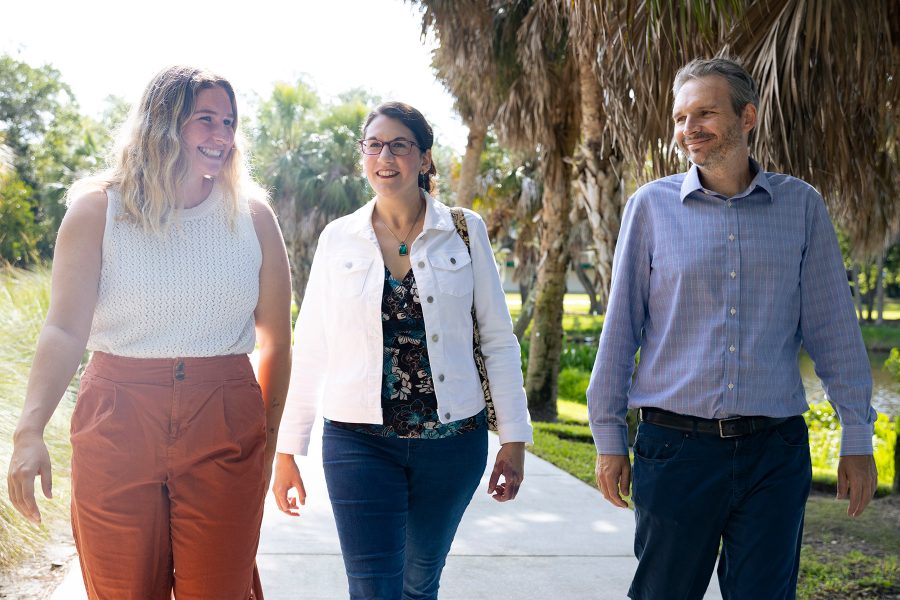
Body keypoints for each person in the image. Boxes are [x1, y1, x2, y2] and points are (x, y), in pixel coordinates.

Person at [587, 57, 879, 600]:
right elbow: (620, 330)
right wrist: (609, 437)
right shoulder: (649, 208)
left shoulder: (801, 206)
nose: (688, 128)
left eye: (705, 112)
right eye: (680, 116)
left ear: (747, 117)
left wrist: (857, 438)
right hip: (675, 450)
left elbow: (834, 331)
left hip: (775, 451)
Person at [6, 65, 292, 599]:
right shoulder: (97, 210)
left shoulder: (253, 217)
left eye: (228, 121)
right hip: (118, 417)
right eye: (204, 119)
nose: (222, 134)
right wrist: (29, 431)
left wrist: (268, 439)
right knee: (121, 589)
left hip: (225, 418)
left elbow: (276, 340)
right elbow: (65, 329)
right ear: (163, 122)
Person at [273, 101, 532, 600]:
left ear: (425, 158)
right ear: (363, 156)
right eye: (374, 144)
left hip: (453, 442)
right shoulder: (339, 238)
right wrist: (288, 449)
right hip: (358, 440)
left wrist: (514, 439)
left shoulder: (463, 230)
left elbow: (498, 339)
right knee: (373, 588)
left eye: (399, 144)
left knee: (418, 583)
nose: (384, 155)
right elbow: (309, 348)